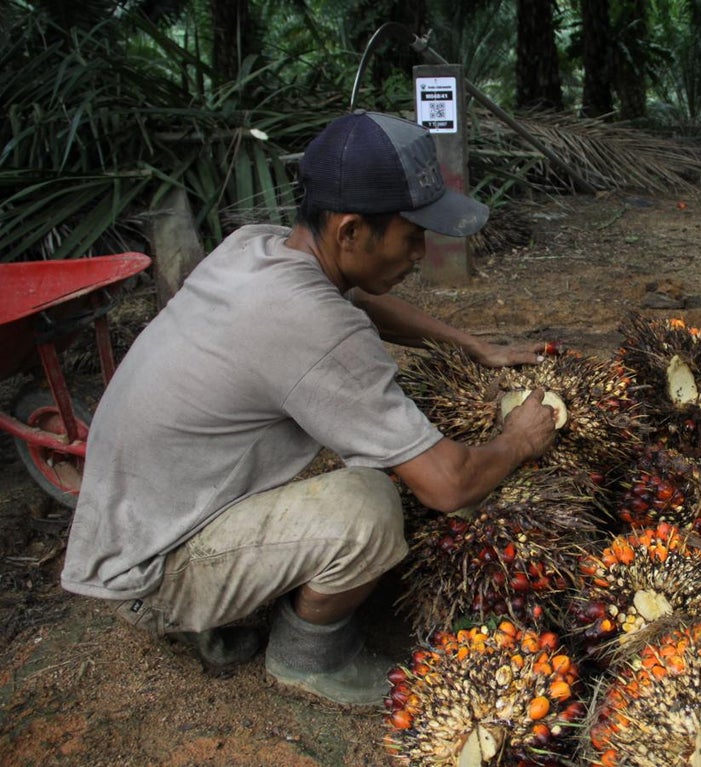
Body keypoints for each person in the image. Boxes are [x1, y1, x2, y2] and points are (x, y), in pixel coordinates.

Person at [60, 111, 559, 707]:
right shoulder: (317, 330)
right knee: (367, 508)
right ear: (350, 233)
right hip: (150, 571)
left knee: (363, 479)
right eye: (412, 235)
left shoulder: (258, 248)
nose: (423, 253)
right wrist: (520, 439)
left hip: (134, 524)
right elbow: (448, 486)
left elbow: (357, 302)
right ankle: (309, 659)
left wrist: (473, 346)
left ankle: (222, 598)